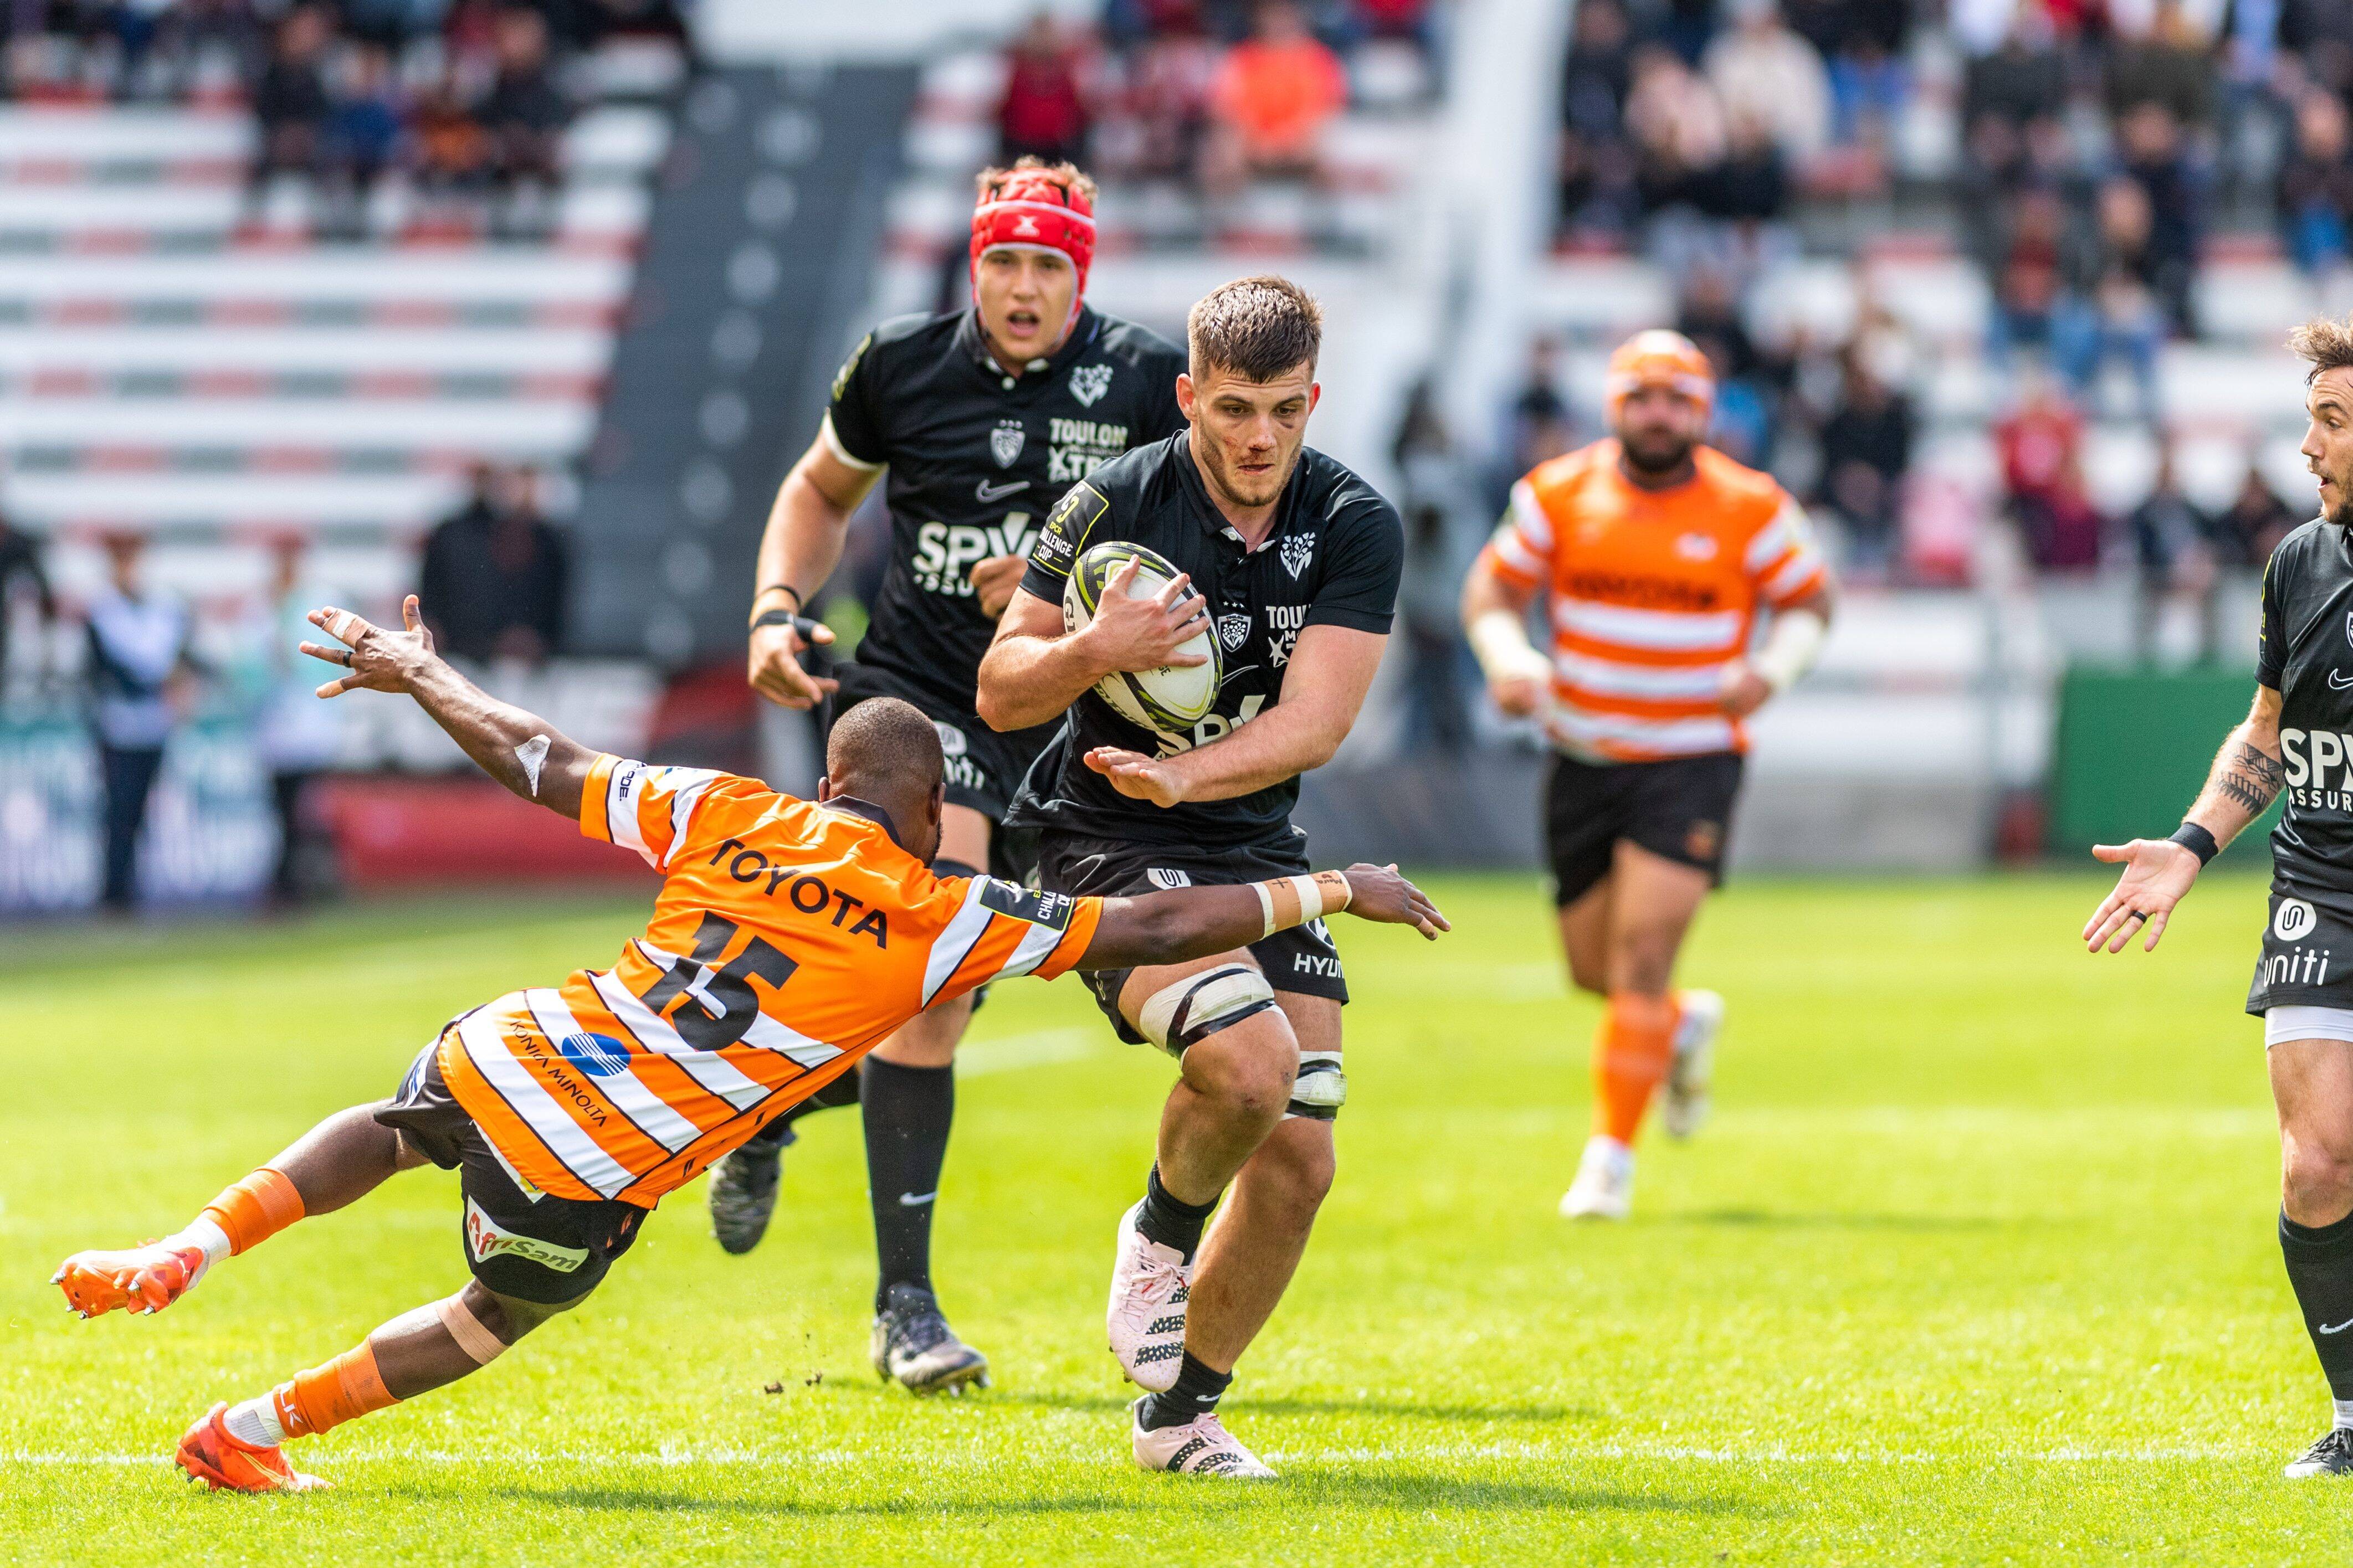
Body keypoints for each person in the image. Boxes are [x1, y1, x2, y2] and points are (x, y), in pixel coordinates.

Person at [50, 594, 1445, 1494]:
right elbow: (1152, 928)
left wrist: (422, 670)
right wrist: (1331, 888)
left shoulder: (728, 807)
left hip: (531, 1048)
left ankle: (187, 1247)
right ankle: (254, 1426)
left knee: (399, 1122)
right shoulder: (934, 908)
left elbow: (538, 757)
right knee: (493, 1316)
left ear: (830, 782)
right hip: (608, 1154)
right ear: (915, 813)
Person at [726, 157, 1188, 1394]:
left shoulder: (1145, 378)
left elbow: (1197, 541)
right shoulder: (896, 363)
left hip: (1075, 712)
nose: (1022, 287)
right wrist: (777, 606)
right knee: (931, 988)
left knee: (931, 995)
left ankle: (771, 1107)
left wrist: (1069, 582)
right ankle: (905, 1307)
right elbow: (817, 490)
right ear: (970, 262)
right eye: (1003, 262)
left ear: (1079, 276)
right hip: (918, 703)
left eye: (1048, 266)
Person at [977, 274, 1404, 1477]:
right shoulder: (1110, 500)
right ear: (1186, 397)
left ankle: (1179, 1416)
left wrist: (1196, 774)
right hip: (1098, 832)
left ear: (1311, 398)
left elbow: (1317, 721)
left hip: (1244, 838)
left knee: (1300, 1156)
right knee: (1247, 1064)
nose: (1256, 436)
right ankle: (1157, 1231)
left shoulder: (1356, 522)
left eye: (1279, 408)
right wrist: (1094, 646)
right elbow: (1002, 689)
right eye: (1229, 409)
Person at [1457, 329, 1837, 1221]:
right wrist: (1507, 656)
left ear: (1702, 412)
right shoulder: (1554, 493)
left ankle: (1607, 1162)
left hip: (1691, 759)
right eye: (1641, 396)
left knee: (1637, 959)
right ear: (1612, 404)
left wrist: (1768, 673)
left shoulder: (1749, 504)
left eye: (1675, 398)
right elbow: (1491, 592)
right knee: (1592, 971)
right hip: (1582, 753)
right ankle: (1680, 1023)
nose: (1657, 413)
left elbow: (1810, 601)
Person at [2079, 311, 2353, 1478]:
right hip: (2321, 882)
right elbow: (2263, 733)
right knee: (2313, 1160)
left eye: (2330, 420)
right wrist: (2191, 843)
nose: (2306, 445)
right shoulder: (2296, 562)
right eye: (2309, 417)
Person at [83, 532, 194, 914]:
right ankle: (113, 890)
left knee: (141, 809)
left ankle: (128, 888)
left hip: (153, 724)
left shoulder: (162, 607)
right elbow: (109, 670)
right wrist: (163, 682)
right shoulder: (102, 609)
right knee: (118, 809)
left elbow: (182, 654)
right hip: (117, 725)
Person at [417, 466, 567, 664]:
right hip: (457, 651)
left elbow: (555, 597)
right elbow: (432, 589)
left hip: (522, 660)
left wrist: (541, 638)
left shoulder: (545, 538)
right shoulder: (451, 533)